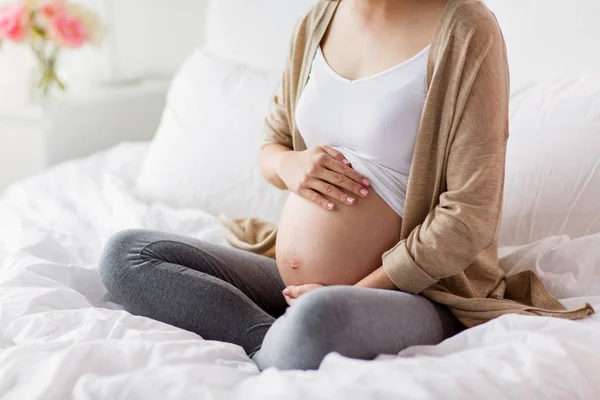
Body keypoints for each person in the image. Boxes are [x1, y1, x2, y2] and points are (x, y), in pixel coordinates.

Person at [98, 0, 594, 371]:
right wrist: (291, 167)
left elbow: (470, 215)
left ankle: (291, 337)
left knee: (320, 319)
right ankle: (269, 342)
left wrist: (355, 291)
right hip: (291, 284)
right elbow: (271, 146)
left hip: (413, 295)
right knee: (128, 255)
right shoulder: (318, 20)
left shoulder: (466, 29)